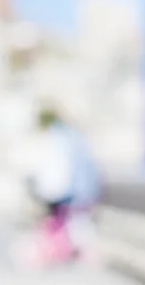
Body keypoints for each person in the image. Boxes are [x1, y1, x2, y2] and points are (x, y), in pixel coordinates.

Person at [27, 107, 101, 261]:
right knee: (72, 221)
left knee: (57, 220)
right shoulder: (74, 141)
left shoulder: (53, 140)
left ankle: (56, 248)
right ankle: (63, 248)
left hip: (57, 190)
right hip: (69, 190)